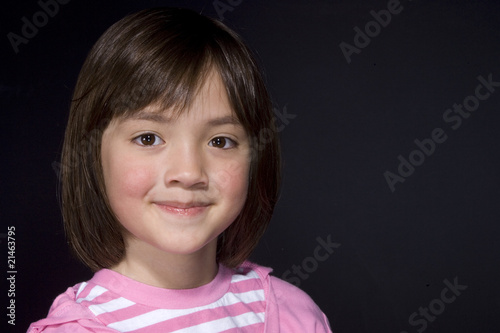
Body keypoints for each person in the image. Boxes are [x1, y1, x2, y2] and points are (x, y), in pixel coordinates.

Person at [27, 7, 332, 332]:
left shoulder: (291, 317)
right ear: (92, 155)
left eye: (220, 141)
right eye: (148, 138)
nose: (188, 173)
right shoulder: (77, 327)